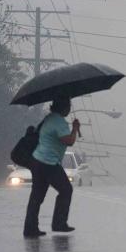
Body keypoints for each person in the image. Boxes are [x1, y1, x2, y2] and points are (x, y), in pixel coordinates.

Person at [23, 96, 80, 238]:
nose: (69, 109)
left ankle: (30, 228)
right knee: (66, 190)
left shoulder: (49, 118)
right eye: (68, 106)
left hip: (37, 161)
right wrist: (75, 129)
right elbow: (69, 141)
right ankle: (59, 223)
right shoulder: (59, 122)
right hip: (49, 163)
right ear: (64, 107)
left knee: (36, 196)